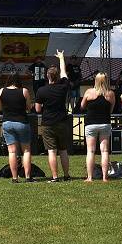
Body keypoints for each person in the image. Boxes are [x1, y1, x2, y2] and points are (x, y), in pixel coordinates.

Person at [35, 50, 72, 182]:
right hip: (62, 122)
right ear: (58, 77)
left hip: (48, 123)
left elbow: (38, 109)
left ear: (47, 76)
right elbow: (64, 72)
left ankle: (55, 177)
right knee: (63, 151)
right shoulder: (63, 87)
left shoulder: (41, 90)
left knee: (51, 151)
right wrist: (62, 58)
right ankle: (66, 175)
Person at [0, 72, 34, 182]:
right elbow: (29, 107)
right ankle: (27, 177)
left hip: (7, 122)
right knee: (26, 151)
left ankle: (14, 177)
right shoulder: (24, 91)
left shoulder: (2, 91)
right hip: (22, 122)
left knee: (12, 152)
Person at [81, 72, 115, 182]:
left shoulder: (89, 92)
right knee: (104, 151)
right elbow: (111, 109)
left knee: (90, 151)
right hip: (105, 123)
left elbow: (82, 106)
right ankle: (105, 177)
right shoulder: (110, 94)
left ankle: (90, 177)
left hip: (91, 123)